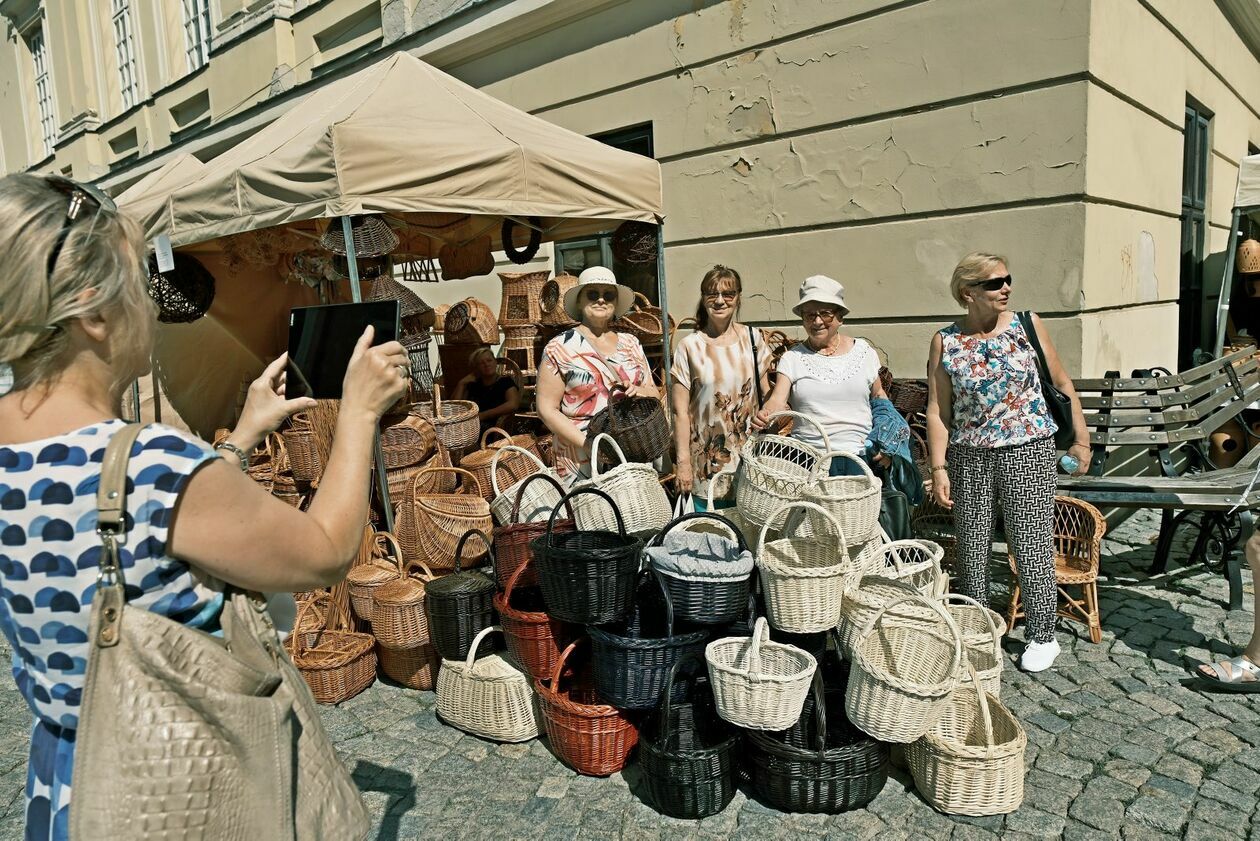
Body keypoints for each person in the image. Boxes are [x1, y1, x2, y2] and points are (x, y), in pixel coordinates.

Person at [0, 173, 409, 838]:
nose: (151, 308)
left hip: (74, 781)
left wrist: (241, 437)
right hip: (178, 785)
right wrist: (359, 411)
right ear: (93, 313)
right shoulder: (152, 465)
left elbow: (142, 534)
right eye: (138, 284)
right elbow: (328, 551)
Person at [924, 251, 1090, 673]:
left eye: (1007, 280)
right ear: (968, 292)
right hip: (969, 454)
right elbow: (938, 409)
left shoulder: (1027, 324)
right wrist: (939, 467)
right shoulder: (946, 340)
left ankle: (1042, 633)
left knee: (1030, 541)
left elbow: (1062, 383)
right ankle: (977, 629)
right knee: (972, 545)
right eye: (995, 283)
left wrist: (1082, 442)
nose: (1006, 288)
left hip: (1028, 448)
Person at [752, 275, 891, 476]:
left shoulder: (864, 352)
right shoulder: (793, 358)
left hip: (860, 457)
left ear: (840, 317)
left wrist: (886, 440)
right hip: (808, 461)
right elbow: (777, 401)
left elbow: (879, 398)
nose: (817, 321)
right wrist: (766, 415)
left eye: (825, 314)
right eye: (809, 315)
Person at [536, 266, 657, 484]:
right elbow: (546, 410)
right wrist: (589, 444)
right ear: (580, 301)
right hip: (581, 458)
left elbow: (654, 394)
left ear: (615, 303)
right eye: (593, 294)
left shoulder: (631, 343)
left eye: (608, 295)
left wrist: (638, 390)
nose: (601, 300)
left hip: (632, 452)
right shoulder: (559, 348)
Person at [670, 265, 772, 510]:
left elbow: (766, 394)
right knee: (708, 534)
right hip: (705, 464)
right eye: (711, 294)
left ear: (738, 298)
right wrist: (683, 463)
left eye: (728, 294)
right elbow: (679, 412)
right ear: (703, 298)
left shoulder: (753, 339)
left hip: (751, 460)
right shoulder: (689, 347)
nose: (719, 301)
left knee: (747, 533)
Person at [453, 346, 519, 432]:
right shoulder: (474, 385)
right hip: (470, 426)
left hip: (495, 427)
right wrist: (461, 384)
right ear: (477, 367)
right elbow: (454, 408)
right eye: (481, 363)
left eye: (489, 360)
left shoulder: (505, 381)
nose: (486, 364)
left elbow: (513, 404)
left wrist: (483, 415)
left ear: (495, 362)